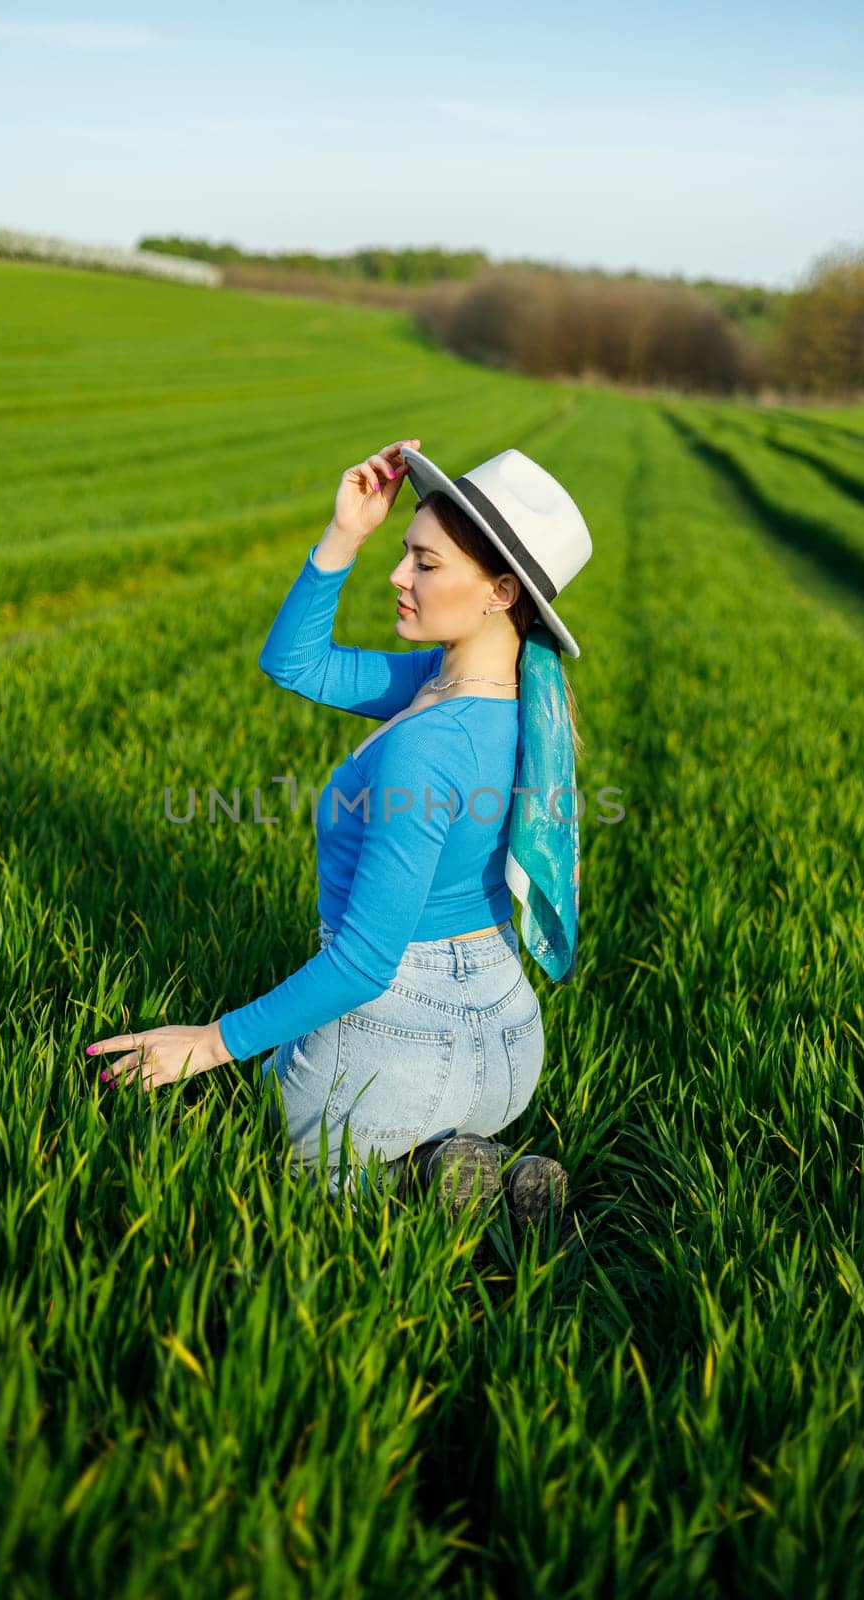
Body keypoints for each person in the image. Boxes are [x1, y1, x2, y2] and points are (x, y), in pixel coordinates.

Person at [87, 436, 593, 1246]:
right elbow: (297, 665)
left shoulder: (431, 739)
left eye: (424, 563)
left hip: (395, 1049)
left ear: (501, 590)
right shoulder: (498, 699)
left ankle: (414, 1178)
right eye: (402, 554)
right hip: (507, 1042)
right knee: (320, 1095)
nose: (397, 576)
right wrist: (343, 533)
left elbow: (364, 963)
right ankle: (475, 1162)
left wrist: (209, 1044)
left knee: (300, 1186)